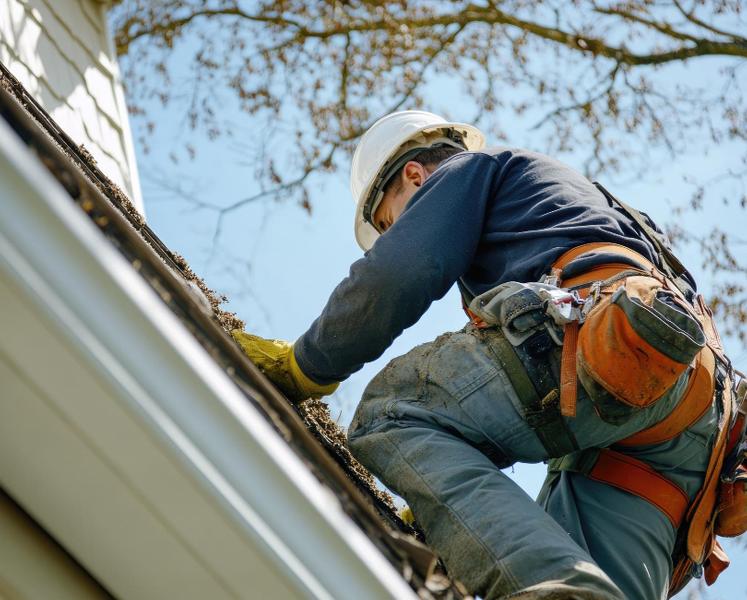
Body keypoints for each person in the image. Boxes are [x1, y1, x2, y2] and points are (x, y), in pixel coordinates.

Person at [233, 111, 739, 600]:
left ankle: (566, 593)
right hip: (692, 417)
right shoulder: (586, 209)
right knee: (580, 560)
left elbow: (399, 272)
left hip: (602, 341)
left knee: (392, 412)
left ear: (414, 174)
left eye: (391, 222)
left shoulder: (472, 169)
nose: (397, 234)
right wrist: (445, 506)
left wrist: (308, 365)